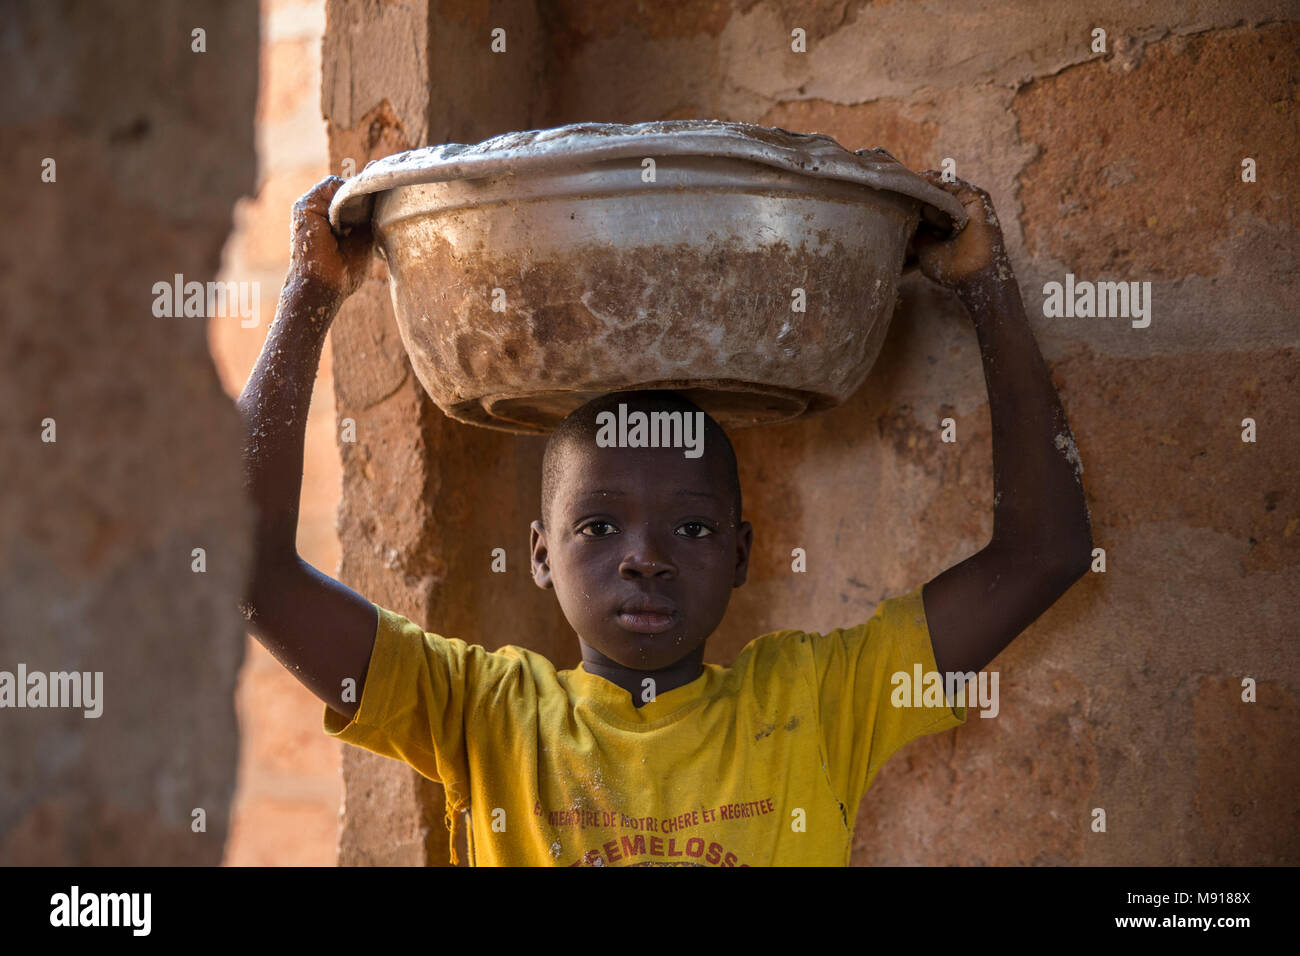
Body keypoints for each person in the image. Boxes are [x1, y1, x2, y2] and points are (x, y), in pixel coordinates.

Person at [237, 172, 1092, 866]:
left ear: (743, 553)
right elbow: (249, 568)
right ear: (540, 554)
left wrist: (988, 285)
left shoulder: (817, 706)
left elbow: (1046, 554)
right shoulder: (481, 717)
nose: (644, 558)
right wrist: (310, 297)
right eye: (599, 528)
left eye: (691, 529)